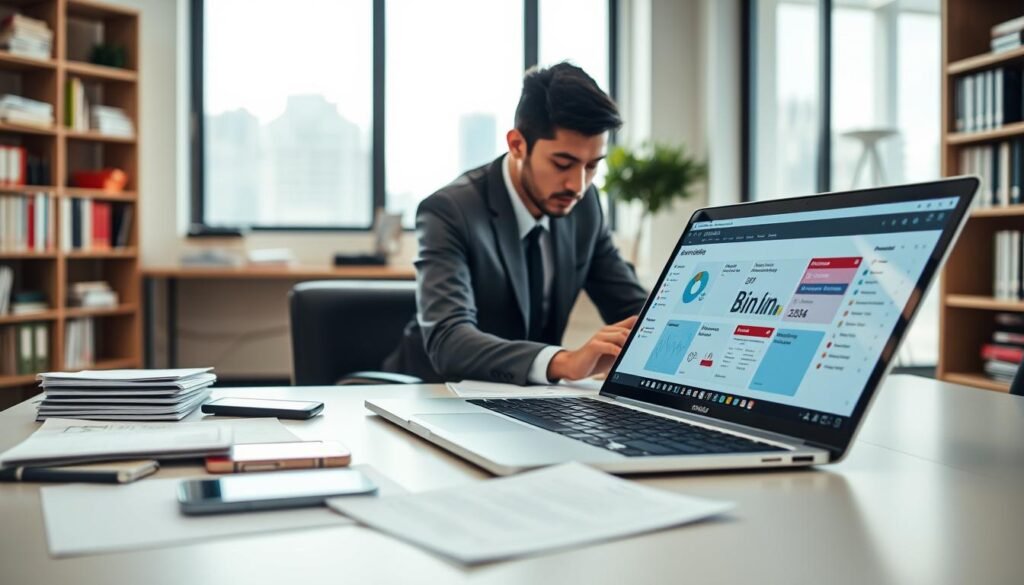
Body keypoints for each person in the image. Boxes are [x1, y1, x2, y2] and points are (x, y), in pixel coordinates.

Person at [383, 62, 648, 385]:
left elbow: (632, 307)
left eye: (592, 166)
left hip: (531, 401)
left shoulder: (585, 207)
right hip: (434, 393)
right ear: (517, 145)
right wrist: (564, 361)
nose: (577, 185)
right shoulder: (450, 210)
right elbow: (449, 340)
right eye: (562, 163)